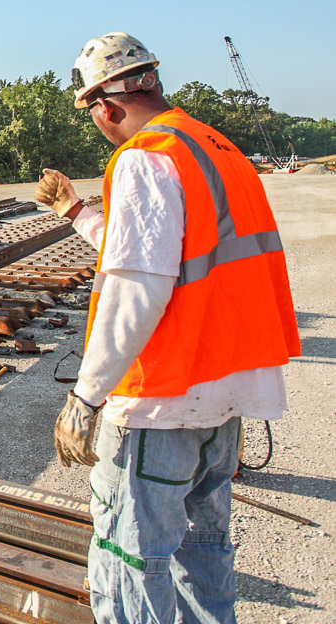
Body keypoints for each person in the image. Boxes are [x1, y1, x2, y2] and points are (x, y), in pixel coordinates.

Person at [36, 32, 299, 624]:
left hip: (163, 400)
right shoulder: (214, 147)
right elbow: (169, 257)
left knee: (129, 561)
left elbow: (137, 287)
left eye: (92, 115)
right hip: (223, 395)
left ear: (104, 105)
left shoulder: (145, 157)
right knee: (202, 555)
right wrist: (77, 213)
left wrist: (85, 396)